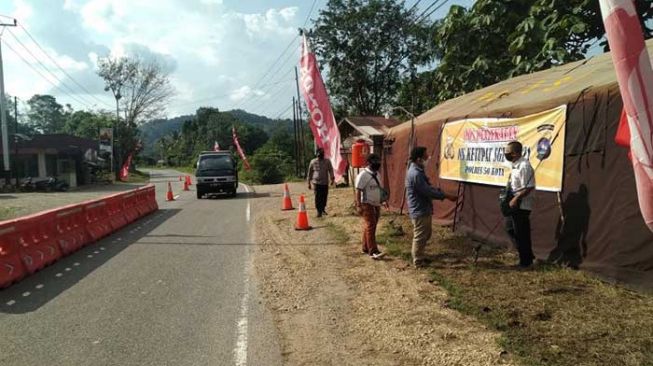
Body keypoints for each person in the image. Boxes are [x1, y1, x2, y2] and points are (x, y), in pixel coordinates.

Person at [405, 146, 455, 267]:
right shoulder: (415, 174)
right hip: (419, 209)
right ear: (418, 159)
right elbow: (427, 191)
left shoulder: (417, 171)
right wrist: (446, 195)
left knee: (426, 234)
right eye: (425, 157)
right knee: (420, 236)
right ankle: (418, 260)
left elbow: (428, 189)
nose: (428, 159)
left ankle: (420, 255)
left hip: (423, 208)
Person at [503, 141, 536, 268]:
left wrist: (516, 199)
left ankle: (526, 262)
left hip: (522, 205)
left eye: (508, 153)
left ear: (515, 153)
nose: (506, 155)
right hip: (514, 203)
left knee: (521, 232)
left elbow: (529, 187)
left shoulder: (524, 166)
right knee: (510, 228)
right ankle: (527, 254)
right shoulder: (515, 165)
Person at [355, 153, 387, 260]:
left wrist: (383, 200)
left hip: (376, 203)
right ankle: (373, 250)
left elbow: (379, 188)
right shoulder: (363, 175)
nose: (377, 164)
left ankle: (365, 246)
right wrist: (358, 205)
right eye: (375, 163)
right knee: (371, 225)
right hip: (366, 203)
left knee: (370, 226)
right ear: (368, 163)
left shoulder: (377, 174)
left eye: (378, 163)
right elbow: (358, 190)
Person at [307, 148, 335, 217]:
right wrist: (308, 183)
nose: (320, 156)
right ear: (316, 154)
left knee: (324, 196)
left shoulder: (327, 161)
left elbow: (331, 170)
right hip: (316, 183)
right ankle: (318, 211)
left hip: (325, 182)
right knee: (317, 197)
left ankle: (322, 209)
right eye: (319, 155)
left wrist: (332, 179)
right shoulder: (313, 162)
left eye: (321, 154)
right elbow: (309, 173)